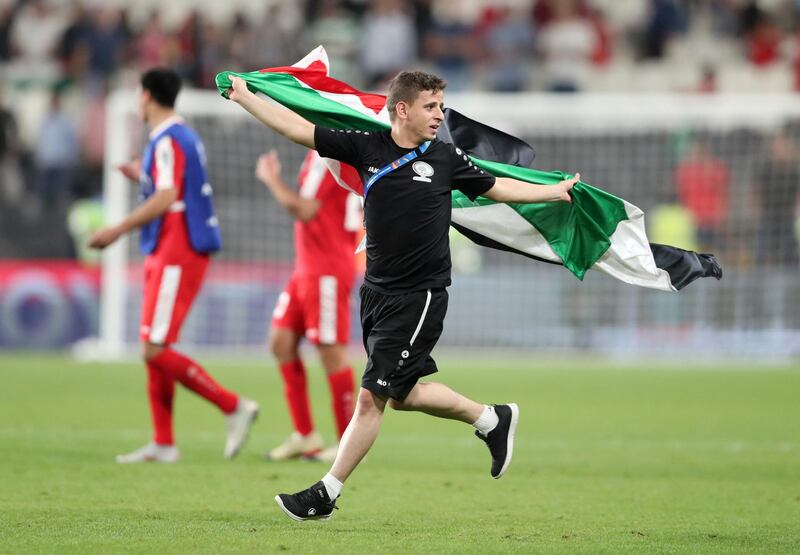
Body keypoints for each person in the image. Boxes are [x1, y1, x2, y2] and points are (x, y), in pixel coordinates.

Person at [226, 69, 578, 520]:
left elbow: (498, 188)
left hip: (421, 295)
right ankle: (491, 419)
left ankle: (325, 493)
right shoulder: (365, 146)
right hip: (376, 293)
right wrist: (244, 98)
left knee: (372, 396)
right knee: (402, 394)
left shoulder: (445, 158)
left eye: (441, 106)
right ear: (403, 109)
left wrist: (553, 192)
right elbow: (297, 128)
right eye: (431, 106)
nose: (439, 114)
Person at [89, 68, 258, 463]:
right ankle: (163, 442)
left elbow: (168, 196)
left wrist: (117, 229)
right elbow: (170, 185)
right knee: (155, 344)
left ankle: (232, 405)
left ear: (146, 95)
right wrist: (142, 176)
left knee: (153, 348)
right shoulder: (179, 136)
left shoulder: (168, 138)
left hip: (177, 248)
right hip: (173, 247)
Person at [255, 149, 362, 462]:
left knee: (331, 352)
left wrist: (271, 179)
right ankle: (305, 435)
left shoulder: (331, 155)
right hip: (307, 268)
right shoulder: (314, 153)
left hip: (327, 268)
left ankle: (349, 444)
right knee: (281, 341)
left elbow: (304, 209)